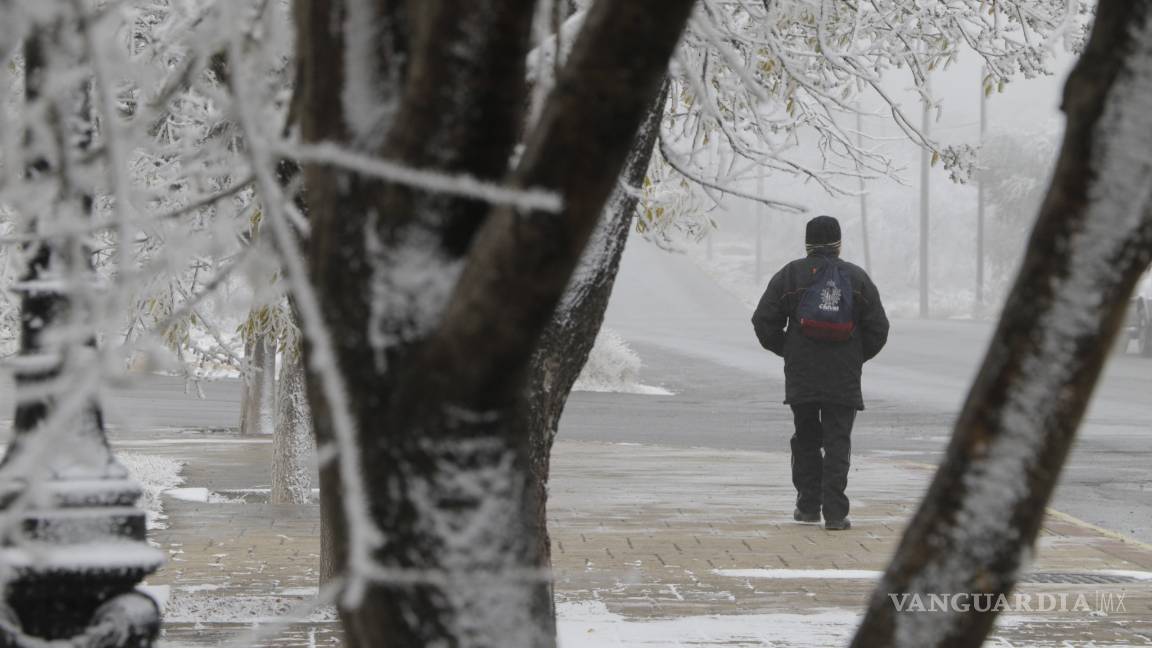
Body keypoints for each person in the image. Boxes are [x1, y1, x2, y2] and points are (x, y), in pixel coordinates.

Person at [751, 215, 889, 531]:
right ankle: (836, 514)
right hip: (843, 375)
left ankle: (808, 506)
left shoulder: (790, 275)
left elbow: (763, 321)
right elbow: (879, 328)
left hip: (802, 373)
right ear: (838, 245)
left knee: (806, 438)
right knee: (838, 439)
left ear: (807, 243)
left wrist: (788, 350)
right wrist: (855, 356)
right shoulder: (856, 278)